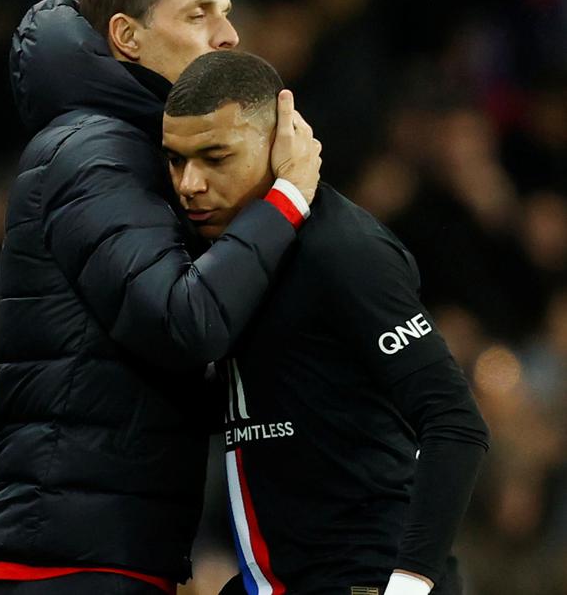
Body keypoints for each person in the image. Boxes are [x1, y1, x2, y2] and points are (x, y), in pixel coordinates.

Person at [0, 0, 322, 594]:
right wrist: (287, 198)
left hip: (104, 547)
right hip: (77, 563)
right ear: (127, 36)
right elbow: (184, 321)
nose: (227, 34)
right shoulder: (98, 150)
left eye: (225, 10)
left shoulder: (132, 145)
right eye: (198, 15)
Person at [162, 50, 490, 595]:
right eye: (175, 160)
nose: (190, 183)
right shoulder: (217, 258)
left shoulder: (342, 250)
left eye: (215, 157)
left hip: (363, 578)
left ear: (279, 142)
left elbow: (455, 421)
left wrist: (408, 586)